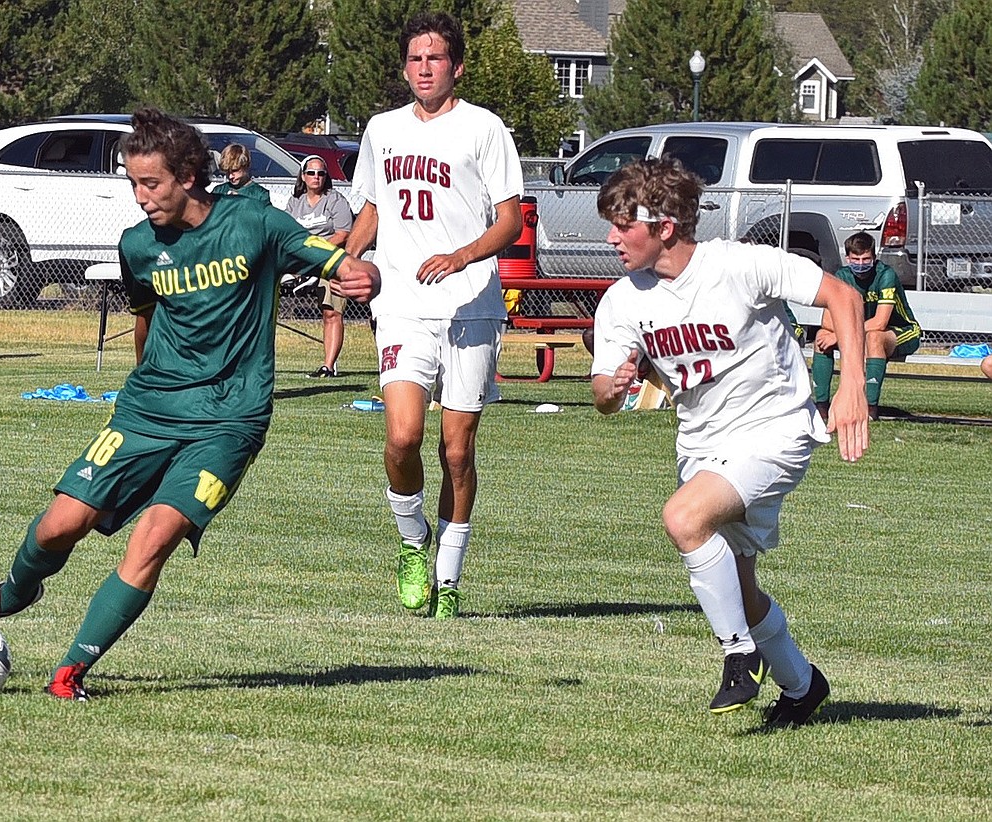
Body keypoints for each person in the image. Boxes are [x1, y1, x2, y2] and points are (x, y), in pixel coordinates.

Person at [0, 108, 380, 701]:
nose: (141, 197)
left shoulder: (254, 221)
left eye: (151, 184)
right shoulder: (138, 246)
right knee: (60, 525)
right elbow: (146, 320)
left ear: (190, 175)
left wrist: (358, 271)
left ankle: (70, 673)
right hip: (148, 410)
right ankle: (10, 592)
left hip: (230, 420)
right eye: (132, 183)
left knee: (154, 537)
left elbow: (328, 257)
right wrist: (138, 390)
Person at [590, 157, 869, 727]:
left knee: (683, 518)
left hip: (775, 429)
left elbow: (845, 297)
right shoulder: (623, 300)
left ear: (664, 224)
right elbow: (602, 395)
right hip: (701, 444)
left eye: (624, 224)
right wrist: (612, 386)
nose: (612, 237)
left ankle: (738, 657)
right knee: (739, 585)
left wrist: (852, 386)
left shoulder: (739, 264)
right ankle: (801, 684)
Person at [346, 11, 523, 620]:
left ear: (457, 66)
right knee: (402, 437)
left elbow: (510, 220)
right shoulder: (382, 130)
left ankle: (448, 579)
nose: (426, 68)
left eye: (436, 58)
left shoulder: (485, 129)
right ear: (404, 67)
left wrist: (461, 255)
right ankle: (412, 540)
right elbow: (372, 209)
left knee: (457, 450)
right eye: (416, 59)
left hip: (471, 306)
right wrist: (344, 259)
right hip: (401, 305)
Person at [811, 231, 920, 421]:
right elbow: (827, 322)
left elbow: (880, 322)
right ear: (847, 258)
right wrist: (837, 334)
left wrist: (840, 335)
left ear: (874, 257)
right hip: (861, 331)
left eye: (865, 259)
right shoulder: (842, 276)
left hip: (902, 331)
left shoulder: (886, 275)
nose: (860, 264)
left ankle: (870, 409)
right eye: (855, 259)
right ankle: (821, 407)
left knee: (874, 337)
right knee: (821, 335)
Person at [284, 155, 353, 377]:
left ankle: (328, 366)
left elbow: (343, 234)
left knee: (330, 312)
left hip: (330, 260)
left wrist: (315, 252)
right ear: (303, 176)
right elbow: (287, 233)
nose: (316, 177)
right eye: (311, 173)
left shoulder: (335, 200)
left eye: (321, 173)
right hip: (301, 262)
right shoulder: (295, 202)